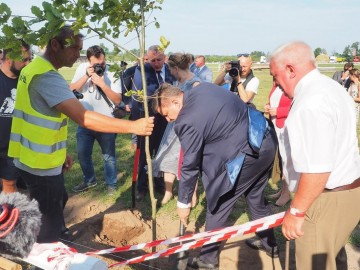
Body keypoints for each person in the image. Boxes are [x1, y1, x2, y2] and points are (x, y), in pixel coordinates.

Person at [8, 25, 154, 243]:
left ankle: (53, 232)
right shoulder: (47, 76)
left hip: (31, 157)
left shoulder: (34, 68)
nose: (78, 54)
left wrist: (60, 154)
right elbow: (84, 118)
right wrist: (133, 127)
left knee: (58, 200)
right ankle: (46, 252)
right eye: (75, 48)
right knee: (48, 224)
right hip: (40, 165)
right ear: (55, 45)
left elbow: (38, 115)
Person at [153, 83, 278, 269]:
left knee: (218, 204)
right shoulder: (202, 89)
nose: (168, 120)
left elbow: (190, 164)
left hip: (248, 152)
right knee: (254, 198)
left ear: (174, 101)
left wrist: (183, 202)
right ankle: (271, 244)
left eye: (165, 113)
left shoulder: (186, 120)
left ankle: (207, 260)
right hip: (266, 142)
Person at [269, 41, 360, 270]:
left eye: (276, 75)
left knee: (315, 264)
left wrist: (296, 210)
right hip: (346, 193)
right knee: (333, 259)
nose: (276, 84)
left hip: (324, 198)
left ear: (290, 69)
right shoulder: (332, 88)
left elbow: (317, 169)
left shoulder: (309, 103)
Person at [69, 45, 122, 195]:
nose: (101, 67)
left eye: (103, 63)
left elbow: (118, 100)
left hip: (106, 122)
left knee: (109, 156)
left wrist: (103, 85)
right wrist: (86, 75)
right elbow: (71, 89)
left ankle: (111, 183)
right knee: (82, 153)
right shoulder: (82, 68)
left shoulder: (112, 71)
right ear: (88, 62)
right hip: (85, 120)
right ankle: (89, 180)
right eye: (96, 65)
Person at [151, 52, 201, 205]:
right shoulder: (178, 83)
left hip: (188, 130)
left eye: (170, 69)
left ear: (175, 68)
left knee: (188, 162)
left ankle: (191, 195)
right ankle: (168, 192)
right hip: (173, 128)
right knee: (168, 158)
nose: (170, 73)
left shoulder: (195, 84)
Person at [131, 45, 174, 201]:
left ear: (165, 58)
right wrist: (135, 128)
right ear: (147, 59)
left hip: (166, 121)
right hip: (148, 119)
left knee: (162, 153)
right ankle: (141, 187)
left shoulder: (169, 71)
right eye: (153, 60)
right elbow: (136, 98)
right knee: (143, 154)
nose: (156, 63)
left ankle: (159, 183)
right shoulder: (142, 71)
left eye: (159, 59)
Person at [0, 41, 31, 194]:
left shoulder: (27, 81)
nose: (28, 63)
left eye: (29, 59)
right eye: (24, 59)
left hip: (13, 148)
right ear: (9, 58)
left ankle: (10, 217)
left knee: (9, 185)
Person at [264, 85, 292, 206]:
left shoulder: (293, 85)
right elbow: (274, 99)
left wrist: (279, 111)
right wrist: (268, 105)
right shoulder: (277, 84)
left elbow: (297, 106)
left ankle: (287, 193)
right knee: (281, 159)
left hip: (286, 127)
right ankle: (282, 190)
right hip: (276, 125)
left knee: (287, 161)